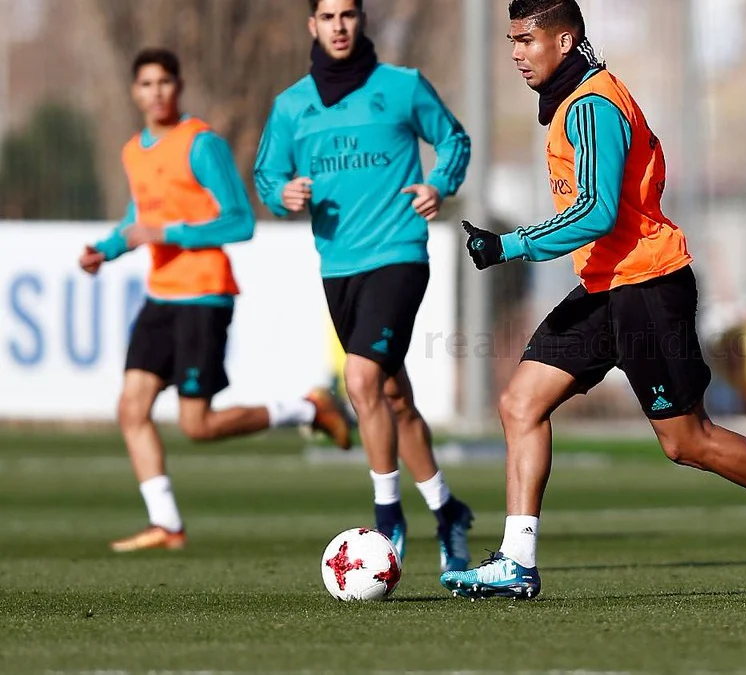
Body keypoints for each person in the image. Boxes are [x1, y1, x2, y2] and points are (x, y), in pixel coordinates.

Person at [441, 0, 746, 601]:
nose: (518, 54)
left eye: (527, 40)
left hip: (649, 286)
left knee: (687, 441)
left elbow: (597, 212)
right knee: (521, 402)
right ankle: (516, 562)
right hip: (608, 283)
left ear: (566, 41)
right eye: (512, 41)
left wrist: (510, 245)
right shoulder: (572, 101)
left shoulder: (593, 104)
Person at [80, 48, 350, 553]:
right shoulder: (133, 151)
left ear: (178, 87)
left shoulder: (200, 144)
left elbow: (238, 221)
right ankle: (166, 524)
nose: (155, 91)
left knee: (196, 425)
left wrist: (168, 231)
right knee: (131, 409)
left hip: (204, 295)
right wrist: (106, 250)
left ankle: (306, 409)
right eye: (146, 84)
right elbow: (136, 218)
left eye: (164, 82)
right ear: (134, 92)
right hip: (160, 297)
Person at [253, 0, 474, 572]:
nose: (339, 25)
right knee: (393, 398)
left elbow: (453, 139)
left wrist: (438, 184)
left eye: (348, 14)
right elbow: (267, 175)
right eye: (327, 16)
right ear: (313, 25)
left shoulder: (401, 87)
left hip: (399, 254)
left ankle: (388, 518)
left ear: (362, 20)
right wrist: (283, 196)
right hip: (338, 266)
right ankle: (448, 510)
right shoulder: (291, 106)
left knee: (359, 379)